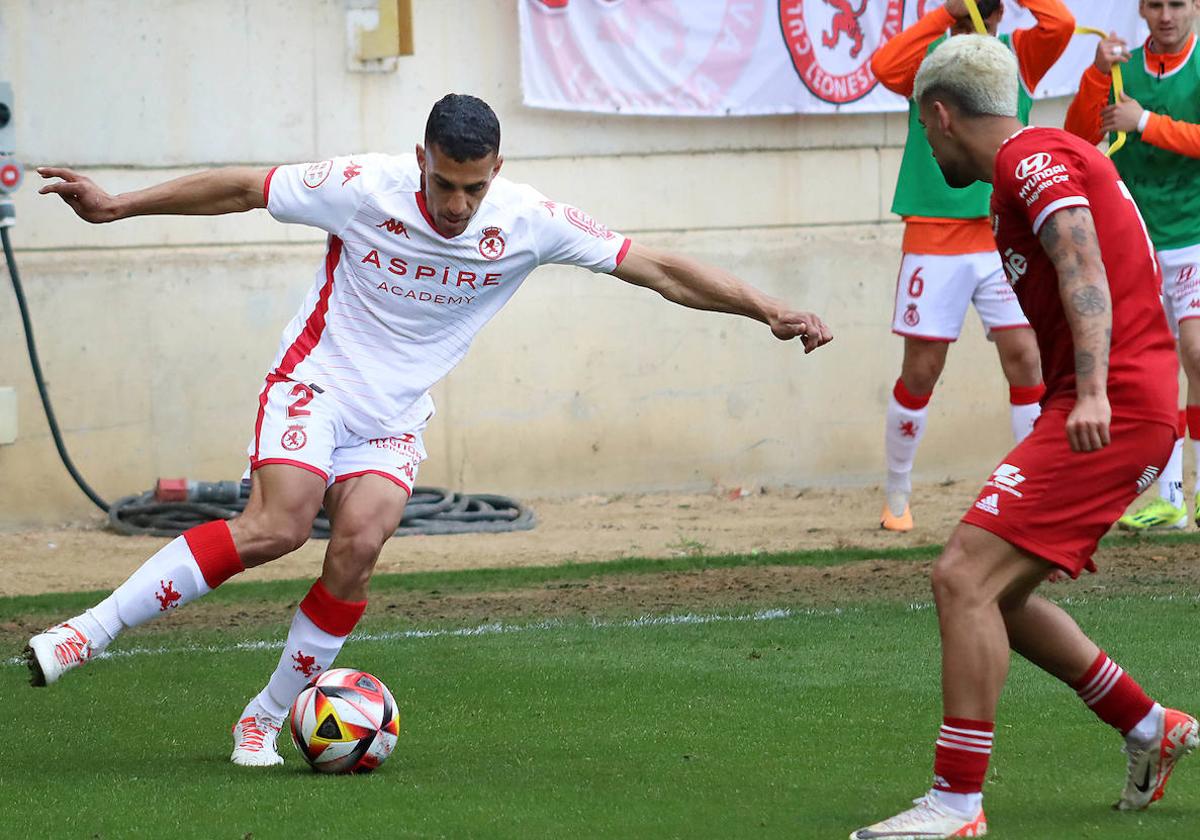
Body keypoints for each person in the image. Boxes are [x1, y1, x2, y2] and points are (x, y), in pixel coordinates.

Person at [29, 93, 833, 767]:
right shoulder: (359, 185)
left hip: (391, 417)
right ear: (421, 158)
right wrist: (118, 205)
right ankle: (85, 633)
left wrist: (765, 307)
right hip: (316, 379)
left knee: (360, 545)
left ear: (496, 174)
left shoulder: (527, 220)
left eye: (472, 190)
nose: (456, 206)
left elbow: (655, 267)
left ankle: (265, 717)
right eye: (445, 184)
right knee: (277, 527)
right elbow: (242, 187)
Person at [852, 35, 1197, 839]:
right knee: (996, 592)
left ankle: (956, 805)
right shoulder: (1044, 150)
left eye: (923, 129)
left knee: (961, 578)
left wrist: (1092, 390)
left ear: (939, 115)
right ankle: (1150, 725)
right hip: (1106, 402)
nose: (927, 144)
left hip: (1112, 406)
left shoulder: (1026, 159)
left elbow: (1080, 258)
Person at [869, 0, 1073, 532]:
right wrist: (945, 16)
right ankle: (897, 492)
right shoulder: (933, 60)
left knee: (1026, 359)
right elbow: (884, 69)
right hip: (934, 233)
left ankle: (1035, 495)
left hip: (1004, 229)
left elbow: (1061, 23)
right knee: (923, 368)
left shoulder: (1016, 54)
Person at [1065, 0, 1200, 532]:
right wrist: (1099, 75)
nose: (1165, 16)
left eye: (1177, 4)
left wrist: (1144, 121)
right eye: (1155, 5)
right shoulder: (1118, 66)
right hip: (1134, 237)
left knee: (1195, 350)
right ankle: (1167, 496)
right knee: (1154, 364)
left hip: (1193, 233)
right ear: (1141, 10)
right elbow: (1077, 138)